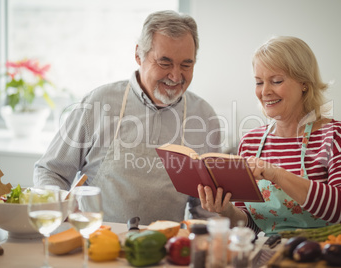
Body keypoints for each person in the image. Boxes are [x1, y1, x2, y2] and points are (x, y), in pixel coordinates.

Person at [34, 10, 220, 225]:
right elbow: (51, 170)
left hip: (166, 250)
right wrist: (59, 206)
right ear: (139, 55)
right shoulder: (99, 103)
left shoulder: (204, 116)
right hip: (97, 241)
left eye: (186, 65)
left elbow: (206, 210)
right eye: (165, 63)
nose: (176, 76)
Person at [198, 36, 341, 235]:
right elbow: (253, 225)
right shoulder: (250, 143)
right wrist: (226, 210)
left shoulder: (338, 136)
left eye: (276, 81)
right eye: (259, 82)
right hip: (275, 252)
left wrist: (277, 174)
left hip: (336, 250)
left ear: (304, 82)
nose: (265, 91)